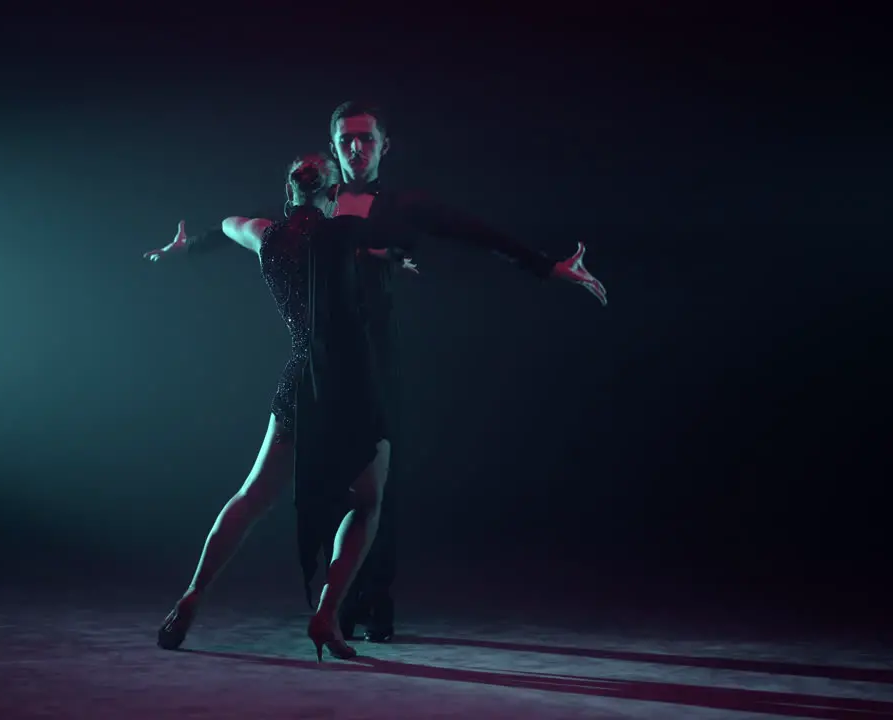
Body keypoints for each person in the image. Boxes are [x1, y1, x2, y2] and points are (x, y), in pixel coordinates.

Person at [319, 100, 607, 645]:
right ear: (333, 145)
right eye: (347, 139)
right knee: (332, 484)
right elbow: (263, 232)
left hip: (378, 358)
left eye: (366, 138)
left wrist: (545, 265)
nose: (356, 147)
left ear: (384, 145)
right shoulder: (316, 205)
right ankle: (339, 603)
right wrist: (197, 247)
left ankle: (373, 601)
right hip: (322, 360)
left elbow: (479, 234)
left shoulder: (404, 204)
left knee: (377, 488)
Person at [144, 152, 417, 661]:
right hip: (349, 387)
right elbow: (383, 249)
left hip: (298, 380)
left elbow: (228, 225)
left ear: (289, 191)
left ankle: (193, 593)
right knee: (368, 500)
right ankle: (327, 613)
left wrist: (192, 245)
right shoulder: (346, 238)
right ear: (334, 194)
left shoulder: (266, 236)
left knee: (251, 496)